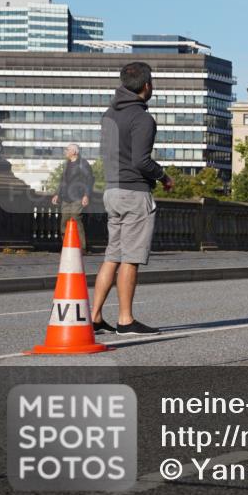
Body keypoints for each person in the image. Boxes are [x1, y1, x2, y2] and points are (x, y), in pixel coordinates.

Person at [90, 62, 173, 336]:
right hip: (134, 192)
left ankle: (95, 316)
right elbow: (141, 161)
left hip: (112, 191)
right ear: (147, 85)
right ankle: (126, 320)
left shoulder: (108, 114)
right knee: (130, 258)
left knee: (112, 256)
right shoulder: (142, 118)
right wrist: (163, 176)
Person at [51, 143, 95, 253]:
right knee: (64, 222)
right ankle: (67, 246)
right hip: (66, 197)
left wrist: (86, 195)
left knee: (76, 219)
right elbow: (62, 181)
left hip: (78, 197)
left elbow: (89, 180)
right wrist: (57, 194)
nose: (65, 151)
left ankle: (81, 248)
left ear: (74, 152)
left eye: (67, 149)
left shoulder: (83, 163)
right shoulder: (67, 164)